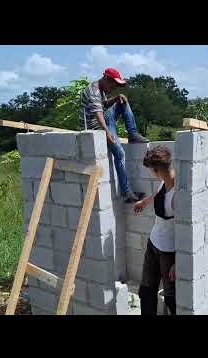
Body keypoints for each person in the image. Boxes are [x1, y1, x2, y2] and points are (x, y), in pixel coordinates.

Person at [79, 67, 150, 203]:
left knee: (123, 101)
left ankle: (133, 134)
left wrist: (117, 98)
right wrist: (107, 132)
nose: (114, 87)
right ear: (106, 79)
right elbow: (99, 115)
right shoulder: (93, 91)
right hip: (96, 126)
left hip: (102, 120)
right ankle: (127, 192)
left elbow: (104, 105)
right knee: (120, 153)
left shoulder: (101, 89)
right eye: (114, 84)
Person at [133, 145, 176, 315]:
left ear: (157, 170)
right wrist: (144, 202)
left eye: (151, 170)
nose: (151, 173)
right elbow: (158, 195)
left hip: (168, 253)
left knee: (172, 299)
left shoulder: (178, 195)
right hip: (154, 244)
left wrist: (178, 263)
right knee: (146, 291)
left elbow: (187, 232)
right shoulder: (164, 182)